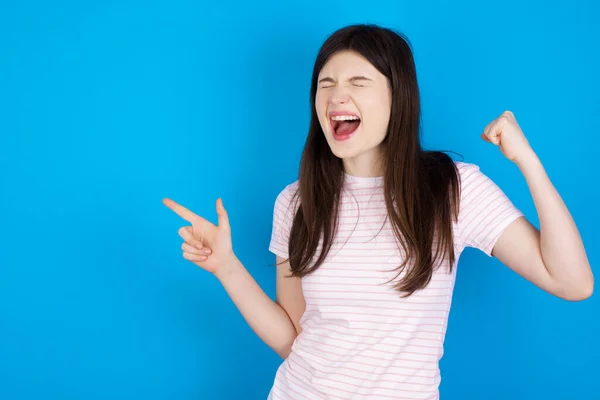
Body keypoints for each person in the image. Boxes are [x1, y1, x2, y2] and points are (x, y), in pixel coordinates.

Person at [163, 24, 593, 400]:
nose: (336, 95)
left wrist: (527, 161)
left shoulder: (452, 189)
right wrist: (226, 267)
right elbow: (294, 339)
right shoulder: (296, 201)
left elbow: (572, 282)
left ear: (397, 96)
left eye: (358, 81)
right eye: (325, 83)